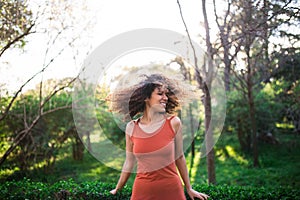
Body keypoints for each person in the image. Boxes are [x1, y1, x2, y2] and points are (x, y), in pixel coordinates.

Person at [109, 73, 209, 200]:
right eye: (160, 94)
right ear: (146, 98)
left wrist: (188, 188)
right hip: (142, 191)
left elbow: (180, 157)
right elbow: (129, 161)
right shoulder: (131, 127)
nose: (165, 98)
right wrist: (118, 188)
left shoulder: (173, 123)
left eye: (166, 94)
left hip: (172, 191)